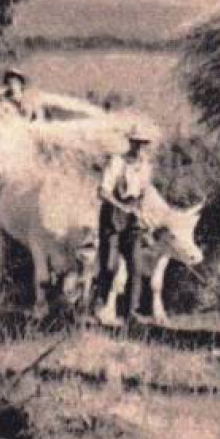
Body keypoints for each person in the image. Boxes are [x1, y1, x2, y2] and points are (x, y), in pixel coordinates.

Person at [93, 122, 158, 323]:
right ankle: (99, 305)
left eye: (143, 143)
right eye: (136, 143)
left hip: (133, 218)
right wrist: (122, 208)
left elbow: (144, 192)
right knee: (110, 266)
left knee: (136, 266)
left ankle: (130, 313)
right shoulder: (117, 162)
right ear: (130, 142)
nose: (139, 147)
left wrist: (144, 214)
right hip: (113, 216)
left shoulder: (146, 166)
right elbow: (102, 192)